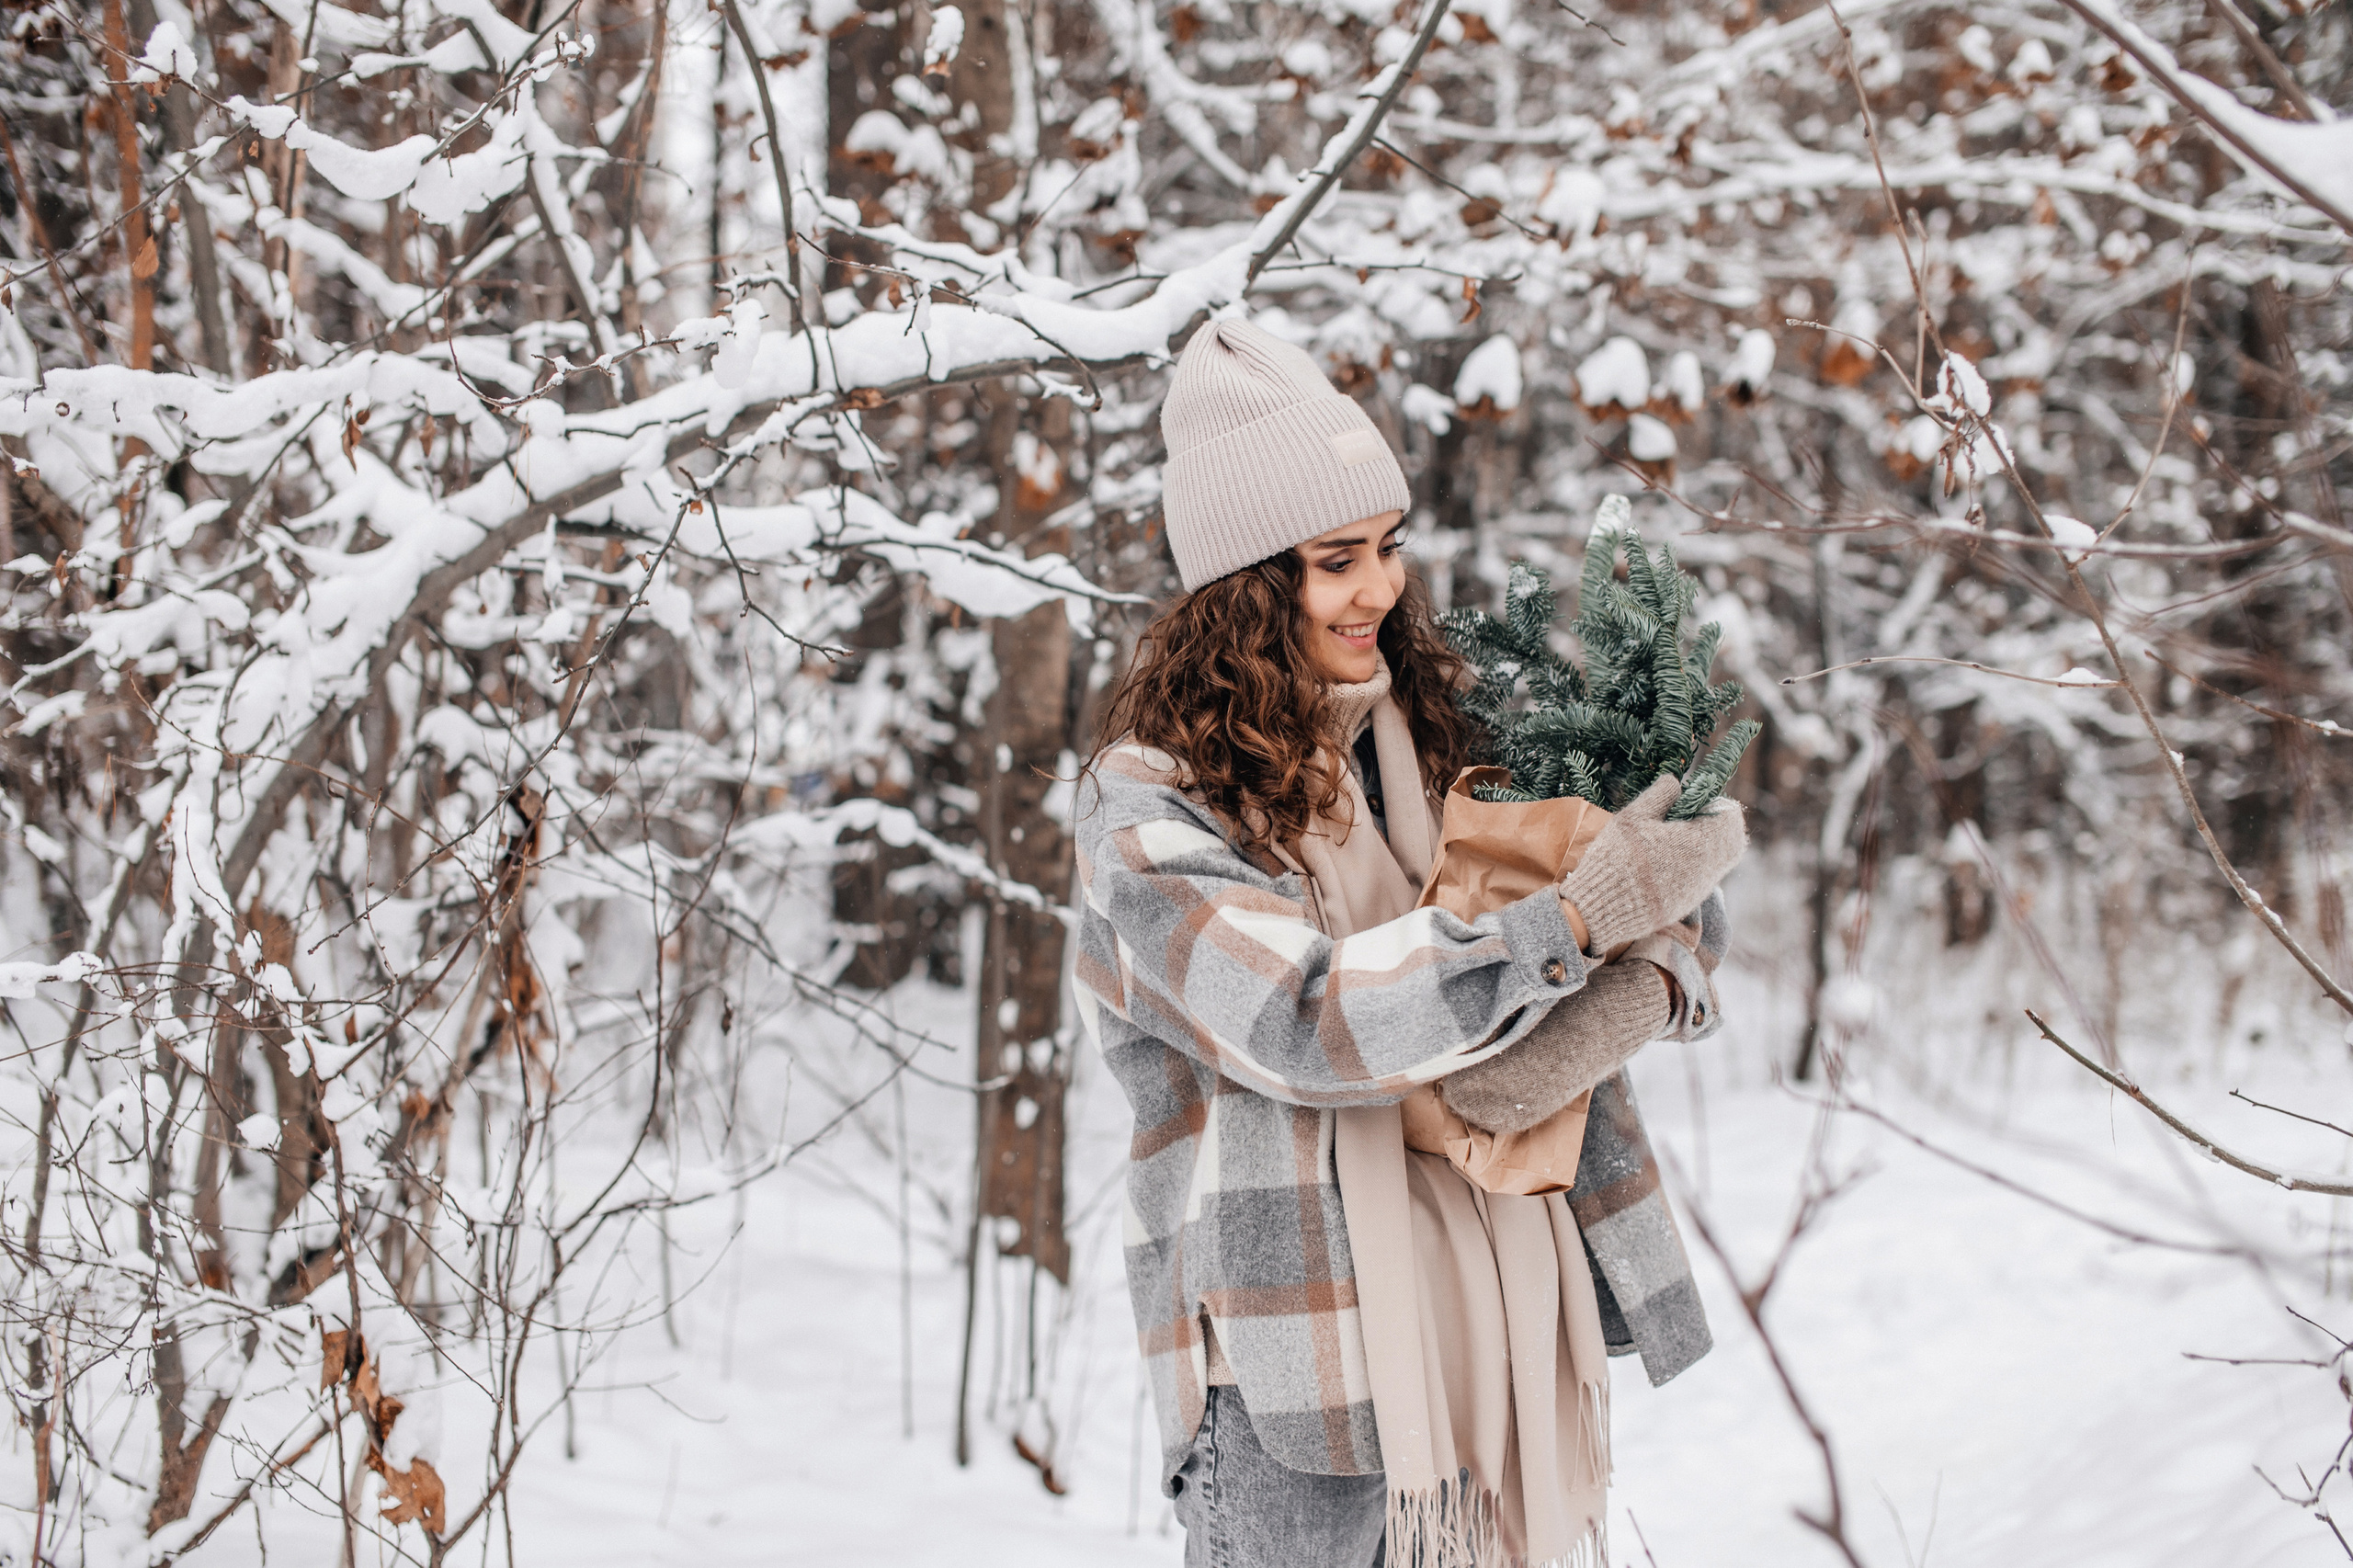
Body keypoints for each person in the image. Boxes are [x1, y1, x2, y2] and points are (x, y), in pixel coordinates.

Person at [1072, 318, 1748, 1567]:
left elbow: (1668, 906)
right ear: (1245, 586)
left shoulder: (1441, 735)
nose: (1379, 589)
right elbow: (1303, 1020)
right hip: (1294, 1360)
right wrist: (1571, 928)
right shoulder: (1147, 806)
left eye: (1388, 546)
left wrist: (1647, 965)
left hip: (1493, 1313)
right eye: (1336, 561)